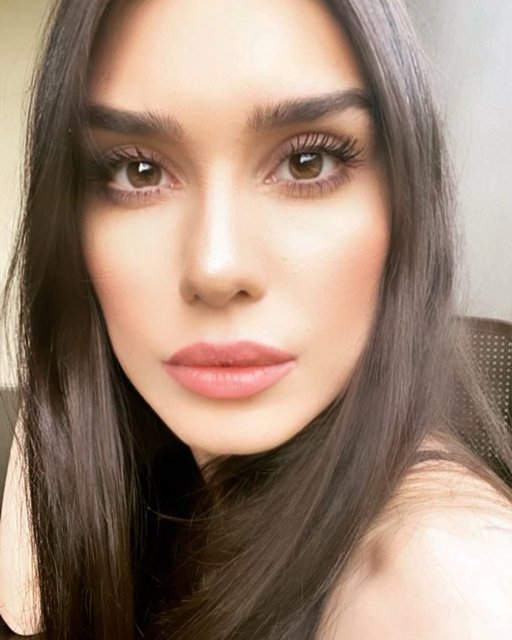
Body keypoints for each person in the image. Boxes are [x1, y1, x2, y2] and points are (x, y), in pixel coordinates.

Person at [1, 0, 511, 637]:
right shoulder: (150, 452)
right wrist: (65, 389)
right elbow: (28, 606)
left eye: (307, 162)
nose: (215, 267)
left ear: (408, 205)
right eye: (138, 170)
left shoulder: (443, 583)